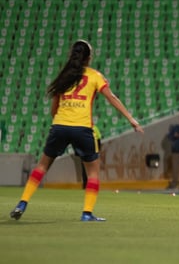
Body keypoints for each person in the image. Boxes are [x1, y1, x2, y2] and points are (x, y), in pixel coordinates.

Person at [9, 40, 144, 222]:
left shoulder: (64, 76)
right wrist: (131, 120)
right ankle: (87, 213)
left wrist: (60, 122)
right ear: (88, 58)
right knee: (93, 173)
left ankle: (22, 203)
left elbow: (53, 108)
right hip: (82, 128)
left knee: (42, 166)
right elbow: (112, 97)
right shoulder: (95, 76)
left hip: (60, 126)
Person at [80, 124, 102, 189]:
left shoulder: (83, 127)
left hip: (87, 152)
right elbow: (98, 141)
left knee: (86, 170)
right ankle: (91, 187)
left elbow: (98, 141)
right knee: (93, 171)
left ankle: (86, 186)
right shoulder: (95, 128)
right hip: (91, 153)